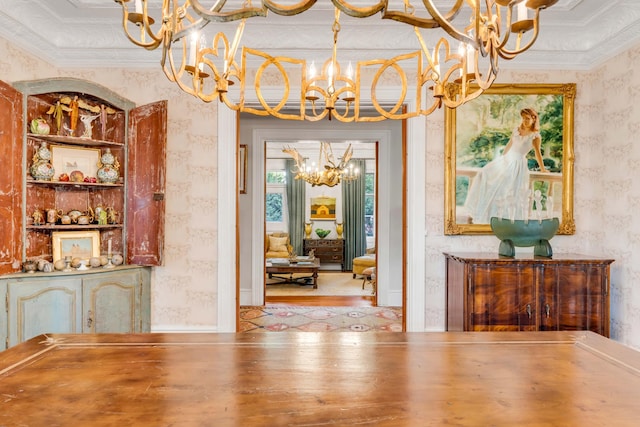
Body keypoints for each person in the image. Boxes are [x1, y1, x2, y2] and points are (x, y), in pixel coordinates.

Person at [464, 107, 548, 224]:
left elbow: (538, 153)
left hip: (518, 164)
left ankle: (502, 218)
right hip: (507, 159)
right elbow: (510, 143)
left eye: (528, 119)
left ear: (534, 119)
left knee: (505, 189)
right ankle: (479, 212)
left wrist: (543, 169)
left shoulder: (535, 136)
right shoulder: (517, 130)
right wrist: (502, 158)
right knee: (484, 173)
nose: (525, 121)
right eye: (523, 118)